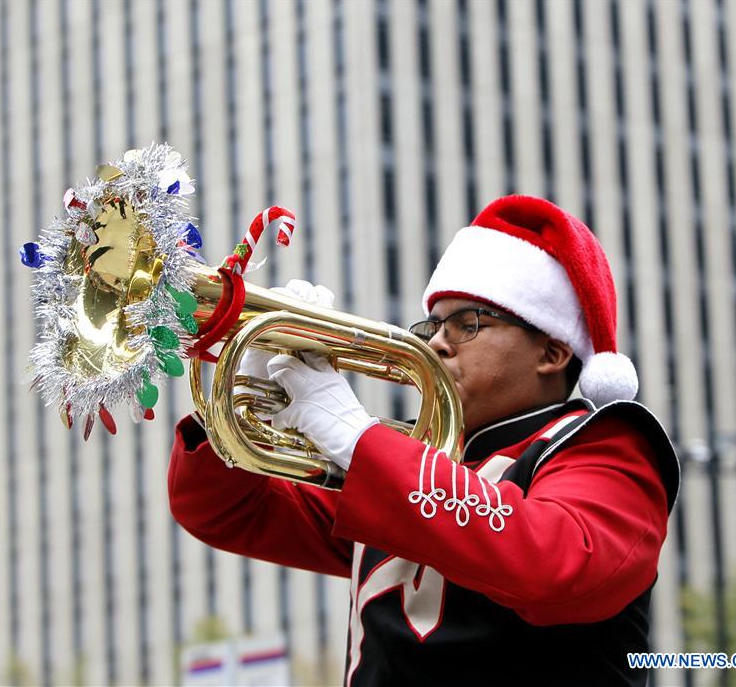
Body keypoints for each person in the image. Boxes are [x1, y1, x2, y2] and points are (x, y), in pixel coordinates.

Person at [168, 195, 679, 687]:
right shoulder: (414, 465)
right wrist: (242, 396)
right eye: (434, 324)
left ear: (551, 351)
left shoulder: (606, 445)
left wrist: (356, 437)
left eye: (468, 323)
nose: (435, 342)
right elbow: (226, 512)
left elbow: (559, 564)